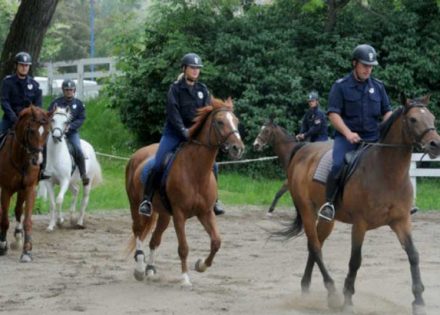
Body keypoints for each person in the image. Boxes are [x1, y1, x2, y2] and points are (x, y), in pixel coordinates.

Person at [138, 53, 225, 217]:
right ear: (184, 69)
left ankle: (215, 200)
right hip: (174, 133)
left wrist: (201, 133)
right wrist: (183, 131)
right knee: (157, 164)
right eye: (192, 68)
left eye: (198, 68)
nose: (195, 71)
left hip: (195, 136)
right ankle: (147, 200)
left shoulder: (203, 90)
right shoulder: (175, 89)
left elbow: (207, 114)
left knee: (214, 165)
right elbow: (173, 113)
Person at [318, 44, 392, 221]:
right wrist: (348, 133)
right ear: (354, 63)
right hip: (348, 138)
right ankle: (329, 204)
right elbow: (333, 114)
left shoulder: (378, 87)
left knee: (392, 163)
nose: (369, 69)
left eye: (371, 66)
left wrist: (385, 127)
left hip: (373, 138)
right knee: (337, 165)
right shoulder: (340, 86)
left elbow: (387, 111)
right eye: (365, 65)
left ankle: (398, 202)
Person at [0, 51, 48, 179]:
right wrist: (13, 117)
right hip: (11, 119)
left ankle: (42, 171)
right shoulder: (7, 82)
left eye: (26, 65)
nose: (24, 67)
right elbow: (4, 101)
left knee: (42, 143)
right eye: (22, 65)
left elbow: (38, 107)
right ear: (16, 65)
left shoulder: (35, 85)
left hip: (30, 122)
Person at [48, 79, 90, 186]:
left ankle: (83, 174)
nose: (69, 92)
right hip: (56, 131)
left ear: (74, 90)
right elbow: (48, 115)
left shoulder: (79, 104)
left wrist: (70, 127)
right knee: (43, 147)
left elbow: (81, 118)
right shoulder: (55, 103)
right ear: (63, 90)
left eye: (71, 90)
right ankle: (41, 171)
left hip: (71, 133)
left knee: (78, 149)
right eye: (66, 90)